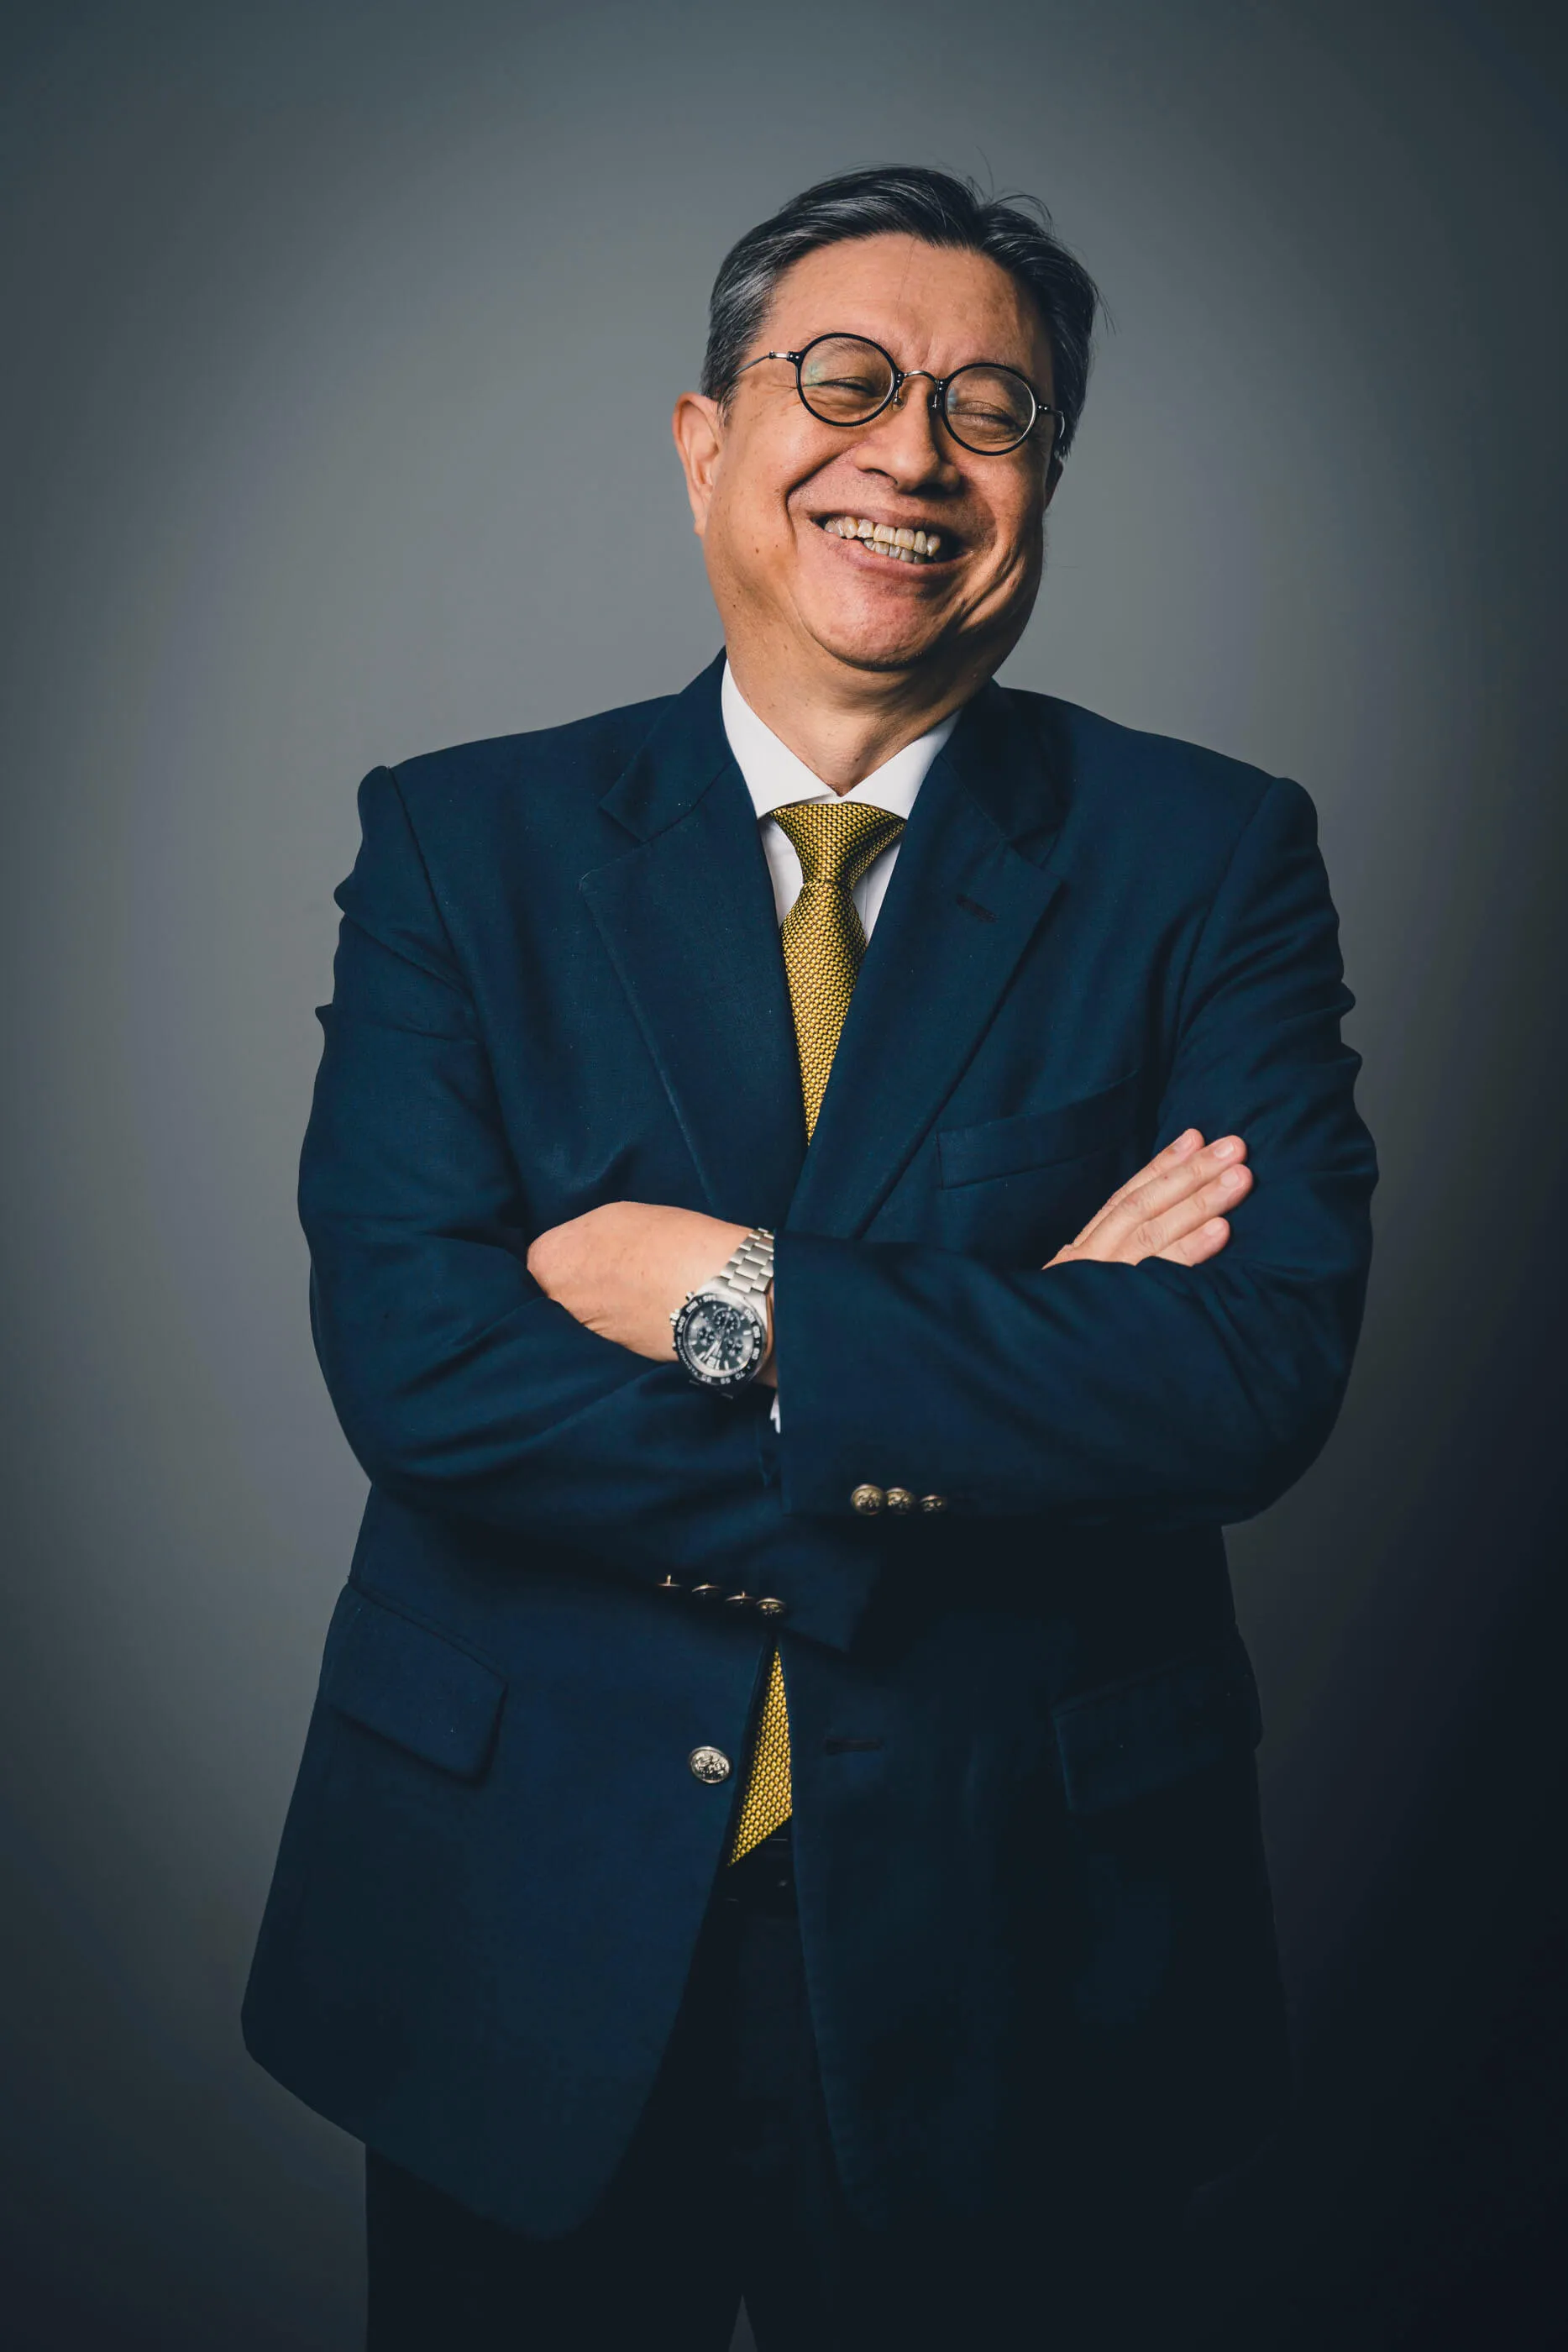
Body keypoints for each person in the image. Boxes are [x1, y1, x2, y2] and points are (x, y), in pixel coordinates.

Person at [242, 165, 1377, 2349]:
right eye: (843, 381)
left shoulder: (1211, 858)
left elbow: (1250, 1375)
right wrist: (1009, 1389)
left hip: (1028, 1936)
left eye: (991, 409)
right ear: (708, 443)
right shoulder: (462, 846)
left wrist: (744, 1304)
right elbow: (421, 1365)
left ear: (1041, 484)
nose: (912, 456)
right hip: (519, 1919)